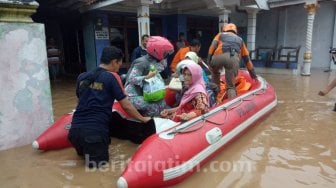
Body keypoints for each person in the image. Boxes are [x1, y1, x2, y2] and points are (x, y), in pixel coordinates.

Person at [68, 46, 151, 168]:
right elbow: (126, 105)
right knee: (98, 173)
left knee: (83, 167)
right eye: (119, 64)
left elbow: (80, 101)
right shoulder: (111, 78)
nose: (119, 68)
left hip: (74, 132)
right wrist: (143, 119)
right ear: (114, 62)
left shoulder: (82, 76)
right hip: (94, 134)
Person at [124, 36, 174, 117]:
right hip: (133, 94)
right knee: (152, 106)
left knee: (162, 103)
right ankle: (152, 124)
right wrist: (146, 77)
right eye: (164, 52)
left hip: (146, 91)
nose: (165, 55)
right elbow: (132, 78)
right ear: (156, 51)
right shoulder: (142, 62)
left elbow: (160, 71)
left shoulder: (156, 61)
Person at [207, 23, 257, 100]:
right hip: (233, 59)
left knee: (215, 72)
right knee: (230, 86)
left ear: (224, 29)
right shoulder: (240, 40)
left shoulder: (220, 34)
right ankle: (232, 104)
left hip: (218, 57)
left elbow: (212, 46)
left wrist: (209, 60)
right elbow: (247, 59)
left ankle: (216, 96)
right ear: (235, 31)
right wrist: (253, 74)